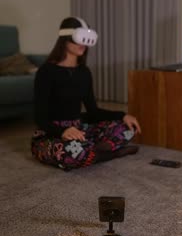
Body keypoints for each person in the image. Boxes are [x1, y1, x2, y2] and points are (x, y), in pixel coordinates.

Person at [31, 17, 141, 171]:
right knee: (69, 152)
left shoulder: (84, 72)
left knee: (127, 128)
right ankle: (112, 153)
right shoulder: (46, 72)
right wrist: (63, 131)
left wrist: (123, 115)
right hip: (51, 134)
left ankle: (90, 152)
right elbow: (39, 117)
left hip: (80, 129)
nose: (83, 44)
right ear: (65, 38)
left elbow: (93, 112)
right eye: (79, 39)